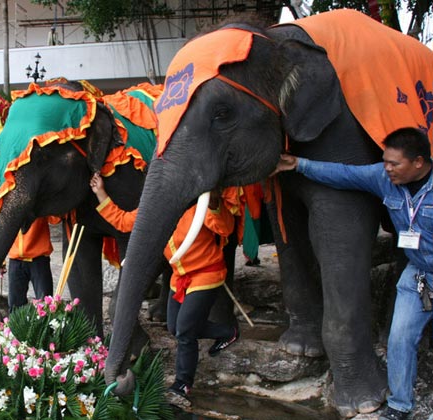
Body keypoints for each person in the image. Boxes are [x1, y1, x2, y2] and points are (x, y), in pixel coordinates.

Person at [274, 128, 433, 420]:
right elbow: (344, 173)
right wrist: (299, 164)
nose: (387, 168)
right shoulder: (384, 178)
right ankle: (399, 405)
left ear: (419, 162)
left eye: (394, 163)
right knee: (399, 340)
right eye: (385, 161)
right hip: (418, 275)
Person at [89, 173, 240, 402]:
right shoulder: (156, 210)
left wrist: (215, 204)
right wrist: (100, 192)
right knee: (174, 326)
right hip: (179, 278)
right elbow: (124, 221)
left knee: (185, 331)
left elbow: (225, 228)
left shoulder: (198, 209)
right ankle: (227, 332)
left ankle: (182, 385)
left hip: (206, 274)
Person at [7, 217, 57, 310]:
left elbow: (55, 219)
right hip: (16, 260)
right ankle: (16, 325)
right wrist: (1, 261)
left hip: (39, 259)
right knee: (15, 305)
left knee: (45, 303)